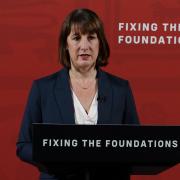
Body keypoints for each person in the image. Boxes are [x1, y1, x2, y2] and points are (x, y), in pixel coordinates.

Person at [16, 8, 139, 180]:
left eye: (91, 37)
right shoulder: (42, 89)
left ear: (99, 43)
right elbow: (24, 145)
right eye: (76, 38)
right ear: (66, 45)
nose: (84, 46)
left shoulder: (121, 89)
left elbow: (137, 145)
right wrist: (53, 157)